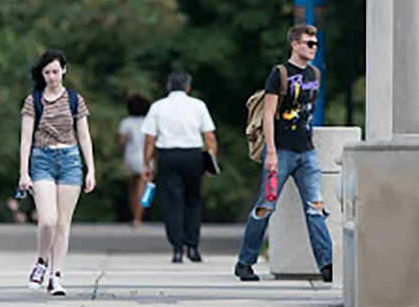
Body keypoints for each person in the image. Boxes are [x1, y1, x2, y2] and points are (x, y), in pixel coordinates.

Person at [234, 24, 334, 283]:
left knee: (316, 208)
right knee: (265, 206)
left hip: (307, 152)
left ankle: (327, 265)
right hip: (282, 151)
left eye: (316, 44)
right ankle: (245, 262)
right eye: (309, 43)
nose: (314, 48)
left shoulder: (315, 74)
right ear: (295, 44)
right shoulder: (279, 74)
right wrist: (271, 152)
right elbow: (268, 115)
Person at [18, 49, 97, 296]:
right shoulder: (33, 100)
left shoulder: (75, 99)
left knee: (63, 224)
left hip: (71, 160)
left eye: (55, 71)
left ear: (64, 70)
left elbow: (84, 135)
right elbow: (25, 138)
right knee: (48, 220)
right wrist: (23, 172)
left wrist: (91, 169)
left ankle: (56, 276)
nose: (52, 76)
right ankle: (41, 262)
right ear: (42, 74)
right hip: (42, 160)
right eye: (47, 72)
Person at [141, 71, 218, 264]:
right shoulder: (198, 106)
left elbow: (150, 139)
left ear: (168, 86)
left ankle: (176, 247)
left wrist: (147, 164)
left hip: (168, 156)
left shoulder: (158, 107)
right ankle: (192, 246)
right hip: (193, 155)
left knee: (172, 201)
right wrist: (211, 162)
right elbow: (209, 137)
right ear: (188, 87)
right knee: (193, 200)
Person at [117, 94, 151, 227]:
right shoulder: (149, 122)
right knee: (143, 189)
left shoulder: (126, 123)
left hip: (130, 156)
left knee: (132, 189)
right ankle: (139, 216)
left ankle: (134, 216)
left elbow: (121, 142)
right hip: (145, 158)